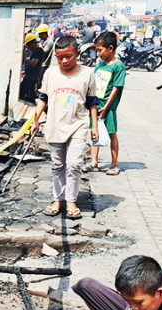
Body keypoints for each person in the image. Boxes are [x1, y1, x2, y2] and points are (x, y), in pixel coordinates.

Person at [32, 36, 99, 220]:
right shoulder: (50, 74)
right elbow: (43, 99)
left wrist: (94, 127)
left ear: (77, 53)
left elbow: (93, 102)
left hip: (78, 124)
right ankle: (58, 199)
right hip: (55, 125)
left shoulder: (87, 74)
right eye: (60, 57)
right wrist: (35, 119)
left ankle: (71, 201)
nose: (64, 61)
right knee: (57, 165)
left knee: (75, 164)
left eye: (68, 56)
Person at [85, 31, 126, 175]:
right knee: (94, 132)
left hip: (109, 107)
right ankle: (94, 162)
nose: (98, 53)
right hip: (97, 104)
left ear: (110, 48)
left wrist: (106, 107)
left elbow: (116, 88)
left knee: (111, 133)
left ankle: (114, 164)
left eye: (100, 50)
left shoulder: (118, 66)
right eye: (97, 50)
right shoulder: (100, 64)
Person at [20, 33, 45, 103]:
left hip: (31, 77)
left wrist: (24, 57)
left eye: (28, 45)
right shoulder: (36, 51)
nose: (27, 48)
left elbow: (33, 64)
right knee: (24, 92)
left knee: (29, 95)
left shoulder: (38, 51)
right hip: (30, 76)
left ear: (31, 43)